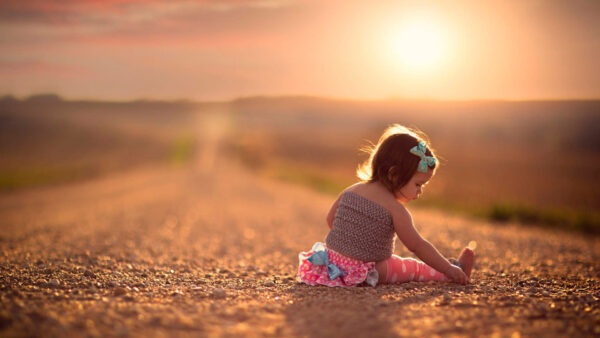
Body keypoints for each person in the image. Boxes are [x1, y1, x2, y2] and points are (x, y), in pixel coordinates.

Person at [298, 124, 475, 287]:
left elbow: (331, 221)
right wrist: (447, 269)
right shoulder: (395, 209)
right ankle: (451, 271)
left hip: (331, 264)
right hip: (365, 272)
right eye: (418, 185)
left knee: (397, 261)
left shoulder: (351, 190)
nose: (420, 192)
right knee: (411, 267)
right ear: (394, 175)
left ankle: (450, 265)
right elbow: (417, 246)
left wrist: (351, 241)